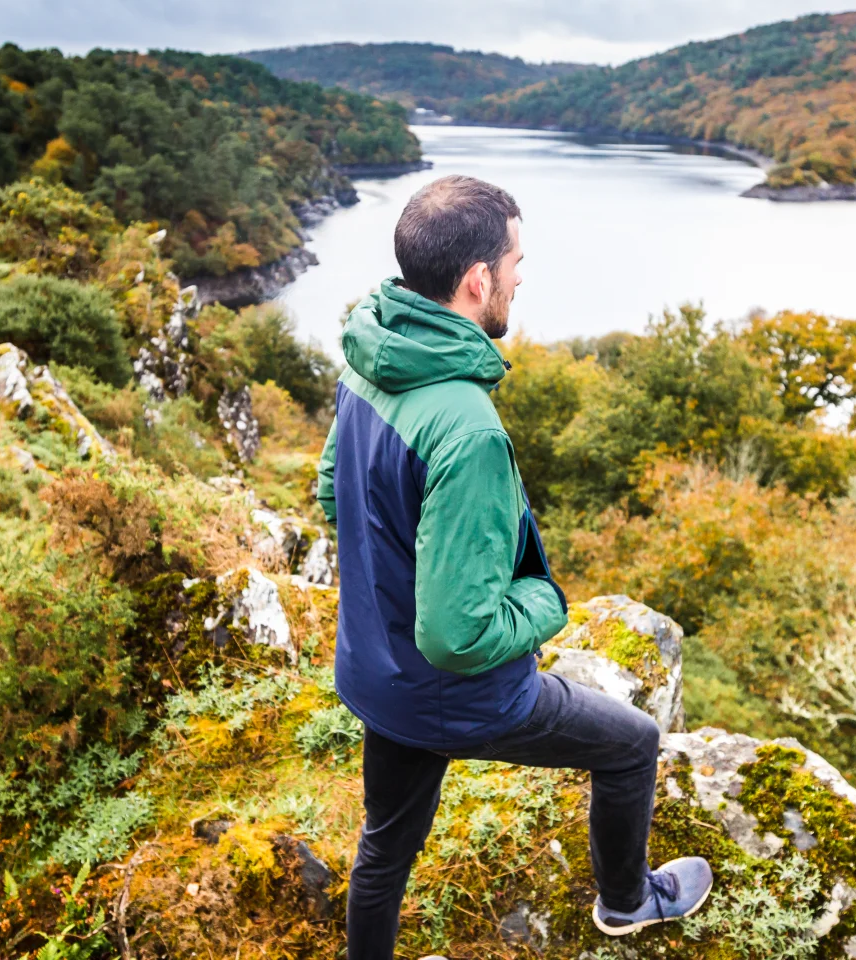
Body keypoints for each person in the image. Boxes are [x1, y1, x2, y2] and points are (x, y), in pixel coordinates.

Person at [315, 175, 713, 960]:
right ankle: (628, 903)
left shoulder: (371, 358)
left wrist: (396, 581)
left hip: (377, 676)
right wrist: (544, 602)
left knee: (383, 849)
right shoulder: (468, 429)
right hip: (460, 697)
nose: (522, 276)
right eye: (517, 261)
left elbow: (333, 492)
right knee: (632, 743)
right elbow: (460, 637)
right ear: (477, 280)